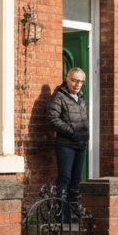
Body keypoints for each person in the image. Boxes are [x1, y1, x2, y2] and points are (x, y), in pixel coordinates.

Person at [47, 67, 89, 222]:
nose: (78, 84)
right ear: (67, 79)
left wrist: (84, 135)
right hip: (65, 144)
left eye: (81, 82)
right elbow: (52, 119)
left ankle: (73, 213)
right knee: (64, 179)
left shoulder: (81, 98)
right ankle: (62, 217)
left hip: (80, 144)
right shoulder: (59, 97)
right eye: (75, 80)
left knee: (76, 181)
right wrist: (71, 131)